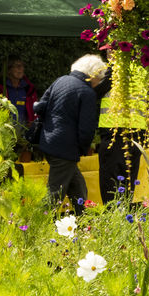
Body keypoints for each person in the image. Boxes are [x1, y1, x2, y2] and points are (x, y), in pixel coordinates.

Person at [34, 54, 108, 215]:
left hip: (48, 142)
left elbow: (40, 106)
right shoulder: (87, 92)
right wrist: (82, 149)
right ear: (94, 76)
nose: (98, 84)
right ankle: (35, 227)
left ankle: (85, 220)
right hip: (65, 148)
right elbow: (86, 129)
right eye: (99, 79)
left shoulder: (60, 80)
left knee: (77, 186)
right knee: (55, 193)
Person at [97, 60, 149, 202]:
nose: (108, 54)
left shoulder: (114, 70)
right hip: (137, 131)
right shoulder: (142, 69)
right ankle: (125, 219)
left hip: (115, 131)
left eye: (110, 50)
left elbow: (93, 88)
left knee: (111, 182)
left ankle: (113, 220)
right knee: (128, 182)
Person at [0, 55, 38, 127]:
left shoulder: (29, 89)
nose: (21, 69)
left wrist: (33, 122)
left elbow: (35, 111)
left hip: (24, 134)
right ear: (8, 70)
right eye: (17, 66)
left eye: (22, 66)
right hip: (5, 132)